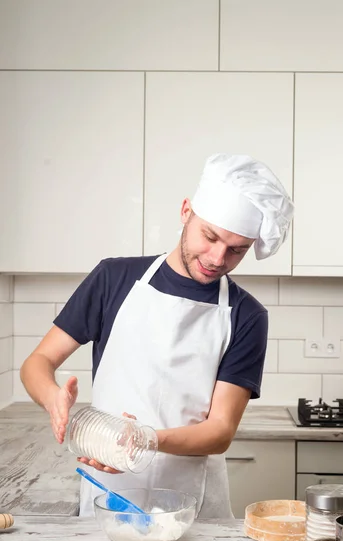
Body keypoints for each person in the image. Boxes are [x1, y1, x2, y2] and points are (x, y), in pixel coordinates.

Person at [20, 153, 294, 518]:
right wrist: (51, 397)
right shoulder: (112, 279)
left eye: (236, 250)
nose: (217, 257)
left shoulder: (246, 315)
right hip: (108, 490)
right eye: (209, 236)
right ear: (185, 212)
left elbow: (220, 430)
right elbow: (37, 363)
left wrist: (145, 442)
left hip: (192, 505)